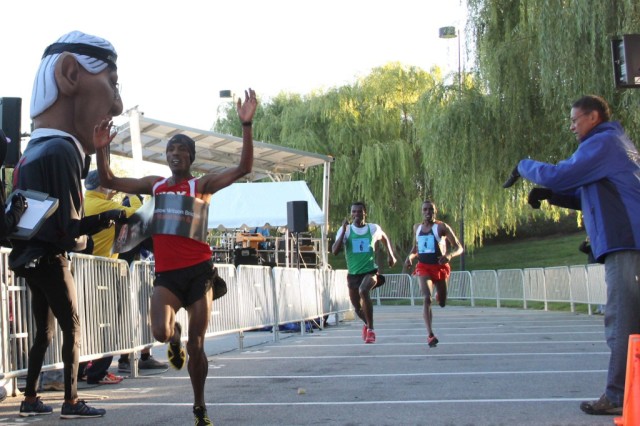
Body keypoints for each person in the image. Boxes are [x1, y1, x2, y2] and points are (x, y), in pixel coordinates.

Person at [92, 89, 257, 426]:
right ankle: (174, 334)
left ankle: (199, 407)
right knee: (159, 334)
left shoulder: (202, 186)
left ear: (191, 157)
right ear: (166, 157)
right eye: (171, 149)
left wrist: (247, 125)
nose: (176, 153)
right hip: (167, 275)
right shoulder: (155, 186)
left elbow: (244, 167)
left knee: (197, 346)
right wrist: (101, 148)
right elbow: (108, 179)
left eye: (182, 149)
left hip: (199, 273)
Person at [9, 31, 128, 419]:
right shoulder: (62, 150)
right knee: (72, 329)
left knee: (43, 333)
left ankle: (29, 398)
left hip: (28, 256)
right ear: (70, 74)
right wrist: (104, 220)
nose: (118, 101)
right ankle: (72, 400)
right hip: (52, 257)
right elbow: (67, 226)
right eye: (112, 83)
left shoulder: (33, 151)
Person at [504, 95, 640, 416]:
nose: (571, 126)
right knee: (632, 320)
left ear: (593, 117)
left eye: (575, 120)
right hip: (630, 239)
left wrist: (524, 165)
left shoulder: (602, 143)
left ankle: (618, 395)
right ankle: (625, 392)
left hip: (625, 242)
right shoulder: (617, 142)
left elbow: (559, 174)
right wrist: (553, 196)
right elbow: (589, 194)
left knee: (622, 321)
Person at [83, 171, 168, 373]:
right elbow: (138, 216)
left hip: (95, 269)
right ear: (102, 187)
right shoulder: (102, 205)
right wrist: (131, 196)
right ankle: (98, 369)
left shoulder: (87, 202)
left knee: (96, 321)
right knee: (108, 321)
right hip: (103, 271)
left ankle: (94, 366)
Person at [331, 202, 397, 344]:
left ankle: (371, 330)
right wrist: (343, 230)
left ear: (364, 213)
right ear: (351, 214)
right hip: (354, 274)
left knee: (363, 290)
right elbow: (334, 251)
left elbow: (384, 237)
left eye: (359, 212)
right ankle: (367, 324)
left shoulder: (373, 228)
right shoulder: (347, 231)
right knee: (357, 308)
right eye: (354, 212)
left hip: (370, 271)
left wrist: (391, 255)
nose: (356, 215)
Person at [404, 200, 463, 347]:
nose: (428, 212)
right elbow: (415, 249)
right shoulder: (417, 228)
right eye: (425, 210)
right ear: (421, 211)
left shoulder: (441, 227)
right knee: (426, 298)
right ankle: (430, 334)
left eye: (431, 210)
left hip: (439, 267)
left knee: (442, 302)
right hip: (423, 267)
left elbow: (459, 247)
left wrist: (449, 256)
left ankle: (440, 296)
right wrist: (409, 258)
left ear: (435, 212)